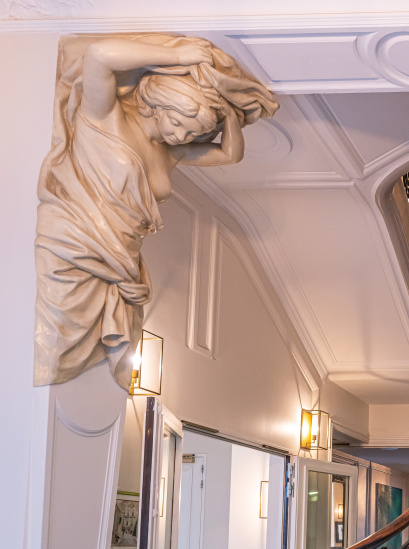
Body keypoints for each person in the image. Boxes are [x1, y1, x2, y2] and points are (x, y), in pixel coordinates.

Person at [34, 35, 279, 389]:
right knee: (59, 339)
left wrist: (227, 114)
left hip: (124, 258)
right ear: (156, 105)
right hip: (76, 242)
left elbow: (230, 154)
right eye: (177, 124)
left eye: (192, 133)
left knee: (97, 366)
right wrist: (175, 55)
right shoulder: (107, 118)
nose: (181, 136)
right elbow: (99, 55)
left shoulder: (170, 153)